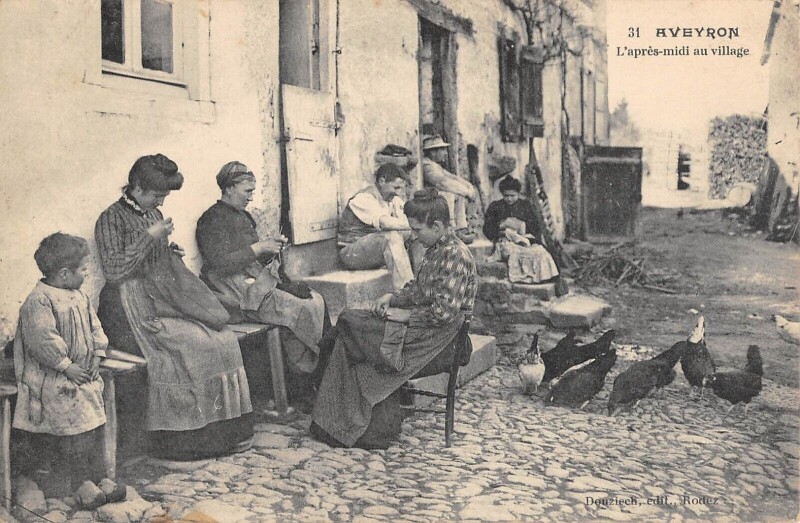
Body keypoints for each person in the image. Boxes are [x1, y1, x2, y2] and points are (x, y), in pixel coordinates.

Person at [95, 154, 254, 460]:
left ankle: (226, 432)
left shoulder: (152, 213)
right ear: (136, 188)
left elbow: (152, 253)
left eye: (164, 197)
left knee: (223, 338)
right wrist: (147, 239)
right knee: (193, 345)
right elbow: (114, 270)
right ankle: (184, 440)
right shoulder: (110, 218)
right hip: (128, 307)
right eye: (157, 195)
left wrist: (167, 250)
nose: (161, 203)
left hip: (162, 295)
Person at [311, 187, 477, 449]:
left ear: (436, 226)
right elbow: (419, 289)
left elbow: (443, 314)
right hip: (423, 329)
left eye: (417, 230)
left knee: (351, 328)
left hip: (440, 341)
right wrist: (392, 297)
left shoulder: (456, 255)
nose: (414, 236)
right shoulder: (436, 248)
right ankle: (338, 420)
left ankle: (351, 424)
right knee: (350, 324)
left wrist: (404, 315)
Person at [196, 161, 331, 388]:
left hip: (253, 280)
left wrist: (271, 253)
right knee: (302, 308)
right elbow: (219, 263)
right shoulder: (211, 219)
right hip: (231, 288)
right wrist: (259, 248)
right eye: (247, 191)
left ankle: (320, 372)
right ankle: (306, 380)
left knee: (317, 300)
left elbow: (253, 259)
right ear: (229, 188)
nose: (251, 197)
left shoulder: (244, 217)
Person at [12, 233, 109, 497]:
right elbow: (43, 339)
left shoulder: (79, 296)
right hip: (51, 379)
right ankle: (75, 484)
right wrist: (66, 365)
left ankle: (96, 478)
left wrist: (98, 355)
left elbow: (95, 326)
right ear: (64, 273)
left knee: (91, 418)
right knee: (71, 424)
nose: (87, 275)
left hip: (80, 374)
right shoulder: (40, 300)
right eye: (84, 270)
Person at [338, 163, 416, 289]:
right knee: (392, 236)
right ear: (382, 181)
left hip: (374, 250)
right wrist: (415, 224)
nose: (398, 193)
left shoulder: (392, 199)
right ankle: (406, 292)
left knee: (418, 233)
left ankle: (424, 284)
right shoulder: (364, 198)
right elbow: (385, 223)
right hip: (351, 253)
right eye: (395, 187)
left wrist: (419, 226)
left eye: (400, 188)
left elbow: (407, 220)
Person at [483, 176, 559, 284]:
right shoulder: (495, 207)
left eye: (512, 196)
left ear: (518, 194)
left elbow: (536, 228)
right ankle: (524, 279)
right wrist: (502, 226)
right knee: (514, 253)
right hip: (505, 241)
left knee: (540, 252)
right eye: (506, 196)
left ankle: (541, 278)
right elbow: (487, 230)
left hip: (525, 240)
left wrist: (522, 227)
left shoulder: (526, 206)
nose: (509, 199)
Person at [421, 135, 478, 233]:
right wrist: (467, 192)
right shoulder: (427, 165)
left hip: (436, 199)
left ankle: (461, 228)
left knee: (458, 195)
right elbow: (442, 183)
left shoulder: (435, 165)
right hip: (428, 200)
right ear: (433, 152)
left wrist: (468, 185)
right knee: (450, 195)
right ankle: (449, 227)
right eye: (442, 150)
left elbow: (452, 177)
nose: (445, 153)